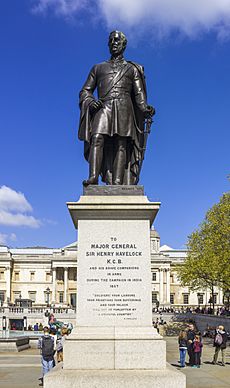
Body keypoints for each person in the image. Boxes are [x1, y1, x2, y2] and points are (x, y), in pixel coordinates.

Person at [79, 30, 155, 186]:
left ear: (124, 45)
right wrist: (90, 100)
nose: (114, 42)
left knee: (122, 143)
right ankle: (93, 177)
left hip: (124, 108)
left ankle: (118, 182)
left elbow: (139, 94)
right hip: (104, 107)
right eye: (111, 40)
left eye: (117, 40)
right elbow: (85, 90)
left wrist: (145, 108)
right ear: (108, 45)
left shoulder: (132, 69)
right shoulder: (98, 68)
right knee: (97, 138)